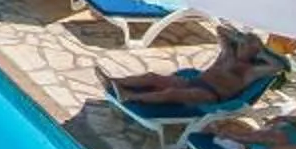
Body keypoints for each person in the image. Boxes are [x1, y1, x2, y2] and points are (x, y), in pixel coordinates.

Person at [107, 28, 273, 106]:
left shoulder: (249, 71)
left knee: (170, 93)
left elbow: (277, 66)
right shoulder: (228, 54)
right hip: (194, 82)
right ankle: (115, 81)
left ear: (255, 52)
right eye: (243, 45)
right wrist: (238, 37)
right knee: (152, 77)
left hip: (210, 94)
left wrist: (262, 52)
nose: (243, 48)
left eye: (248, 47)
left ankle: (129, 96)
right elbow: (220, 30)